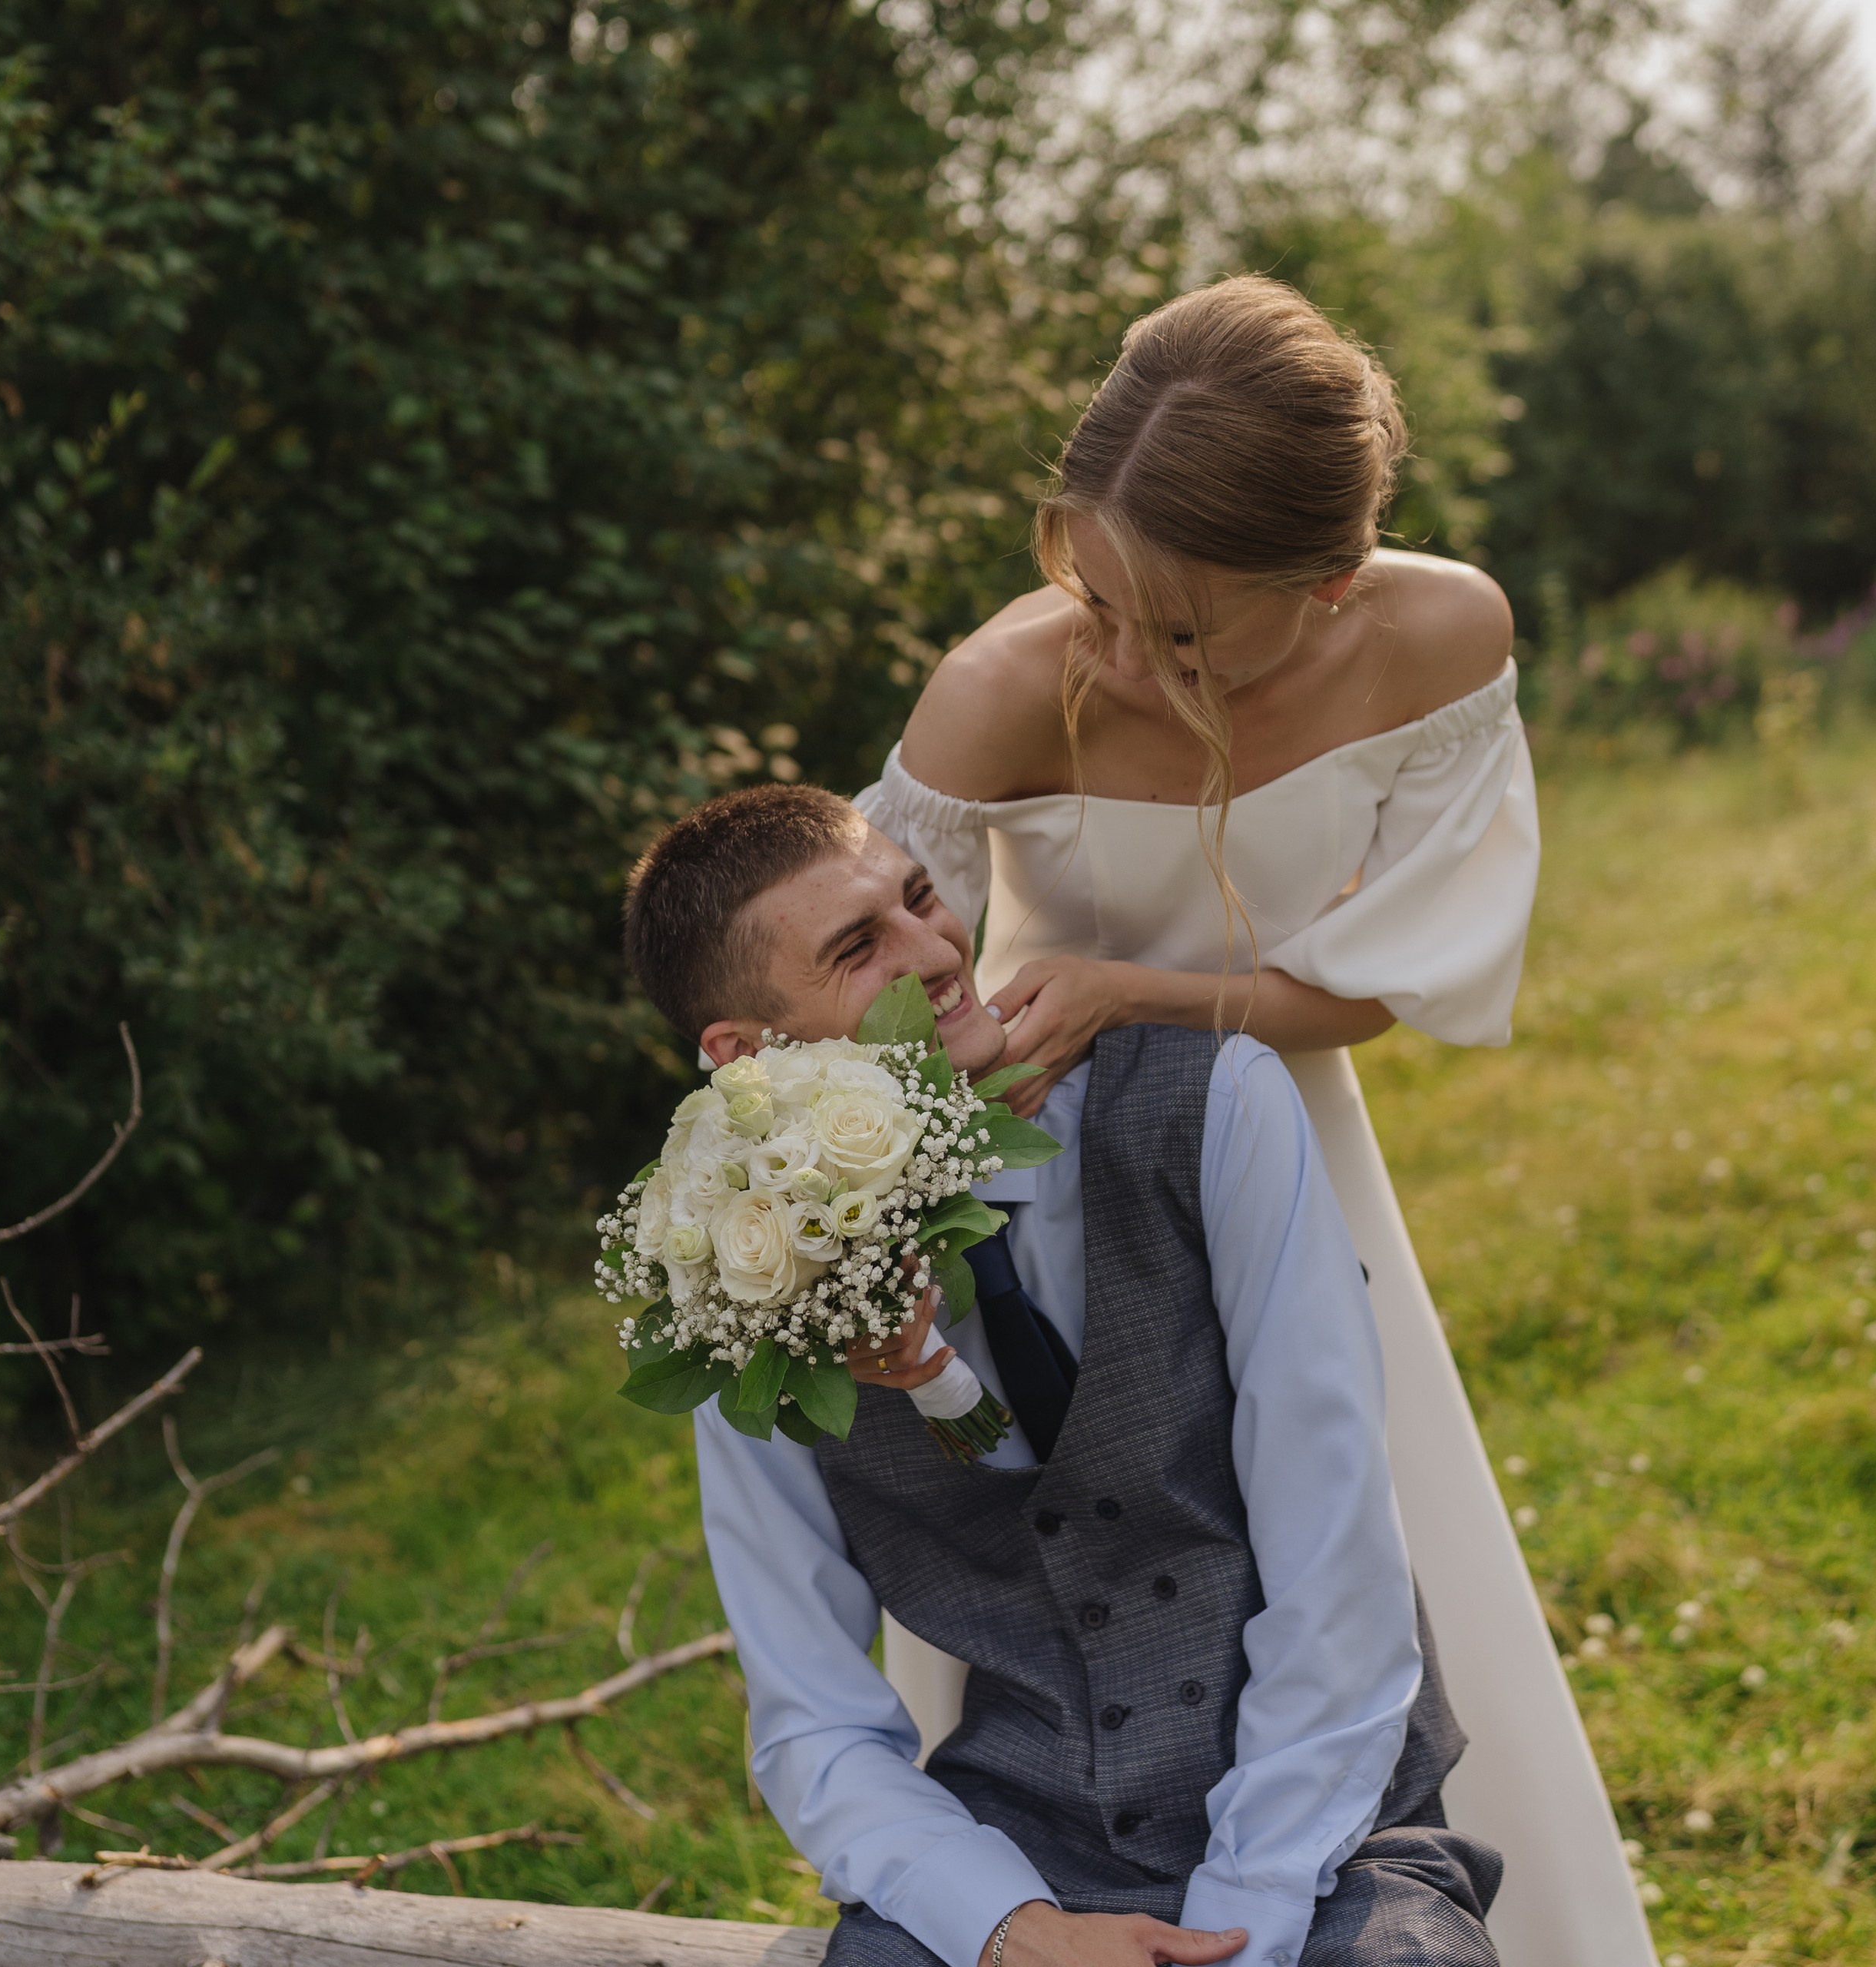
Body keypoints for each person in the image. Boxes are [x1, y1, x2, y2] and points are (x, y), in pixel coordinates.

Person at [854, 277, 1653, 1967]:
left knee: (1341, 1536)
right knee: (1083, 1567)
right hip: (1046, 1167)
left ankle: (1364, 1883)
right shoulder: (999, 688)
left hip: (1290, 1130)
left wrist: (1137, 990)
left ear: (1334, 582)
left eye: (1188, 636)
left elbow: (1376, 984)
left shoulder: (1439, 641)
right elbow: (851, 998)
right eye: (1097, 597)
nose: (1125, 663)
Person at [621, 783, 1503, 1967]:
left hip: (1328, 1837)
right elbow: (814, 1722)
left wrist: (1250, 1917)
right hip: (1013, 1848)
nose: (935, 953)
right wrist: (1007, 1927)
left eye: (922, 899)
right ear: (743, 1056)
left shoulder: (1218, 1108)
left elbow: (1342, 1575)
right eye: (857, 949)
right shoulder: (740, 1292)